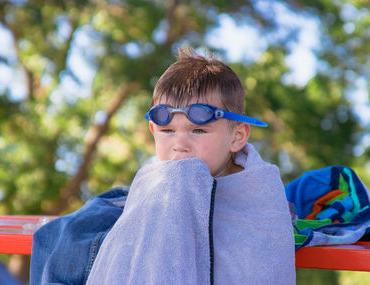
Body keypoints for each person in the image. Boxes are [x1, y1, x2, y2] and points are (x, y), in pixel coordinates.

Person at [30, 49, 295, 285]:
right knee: (61, 236)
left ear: (237, 136)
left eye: (199, 131)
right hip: (118, 205)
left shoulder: (256, 192)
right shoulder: (156, 187)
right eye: (167, 130)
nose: (179, 145)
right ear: (152, 130)